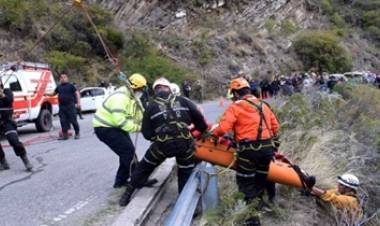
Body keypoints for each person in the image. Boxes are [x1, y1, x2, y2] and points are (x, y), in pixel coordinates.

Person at [119, 77, 208, 207]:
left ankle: (126, 196)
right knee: (185, 171)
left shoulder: (151, 106)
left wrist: (158, 137)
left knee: (144, 167)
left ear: (155, 91)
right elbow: (201, 121)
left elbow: (147, 133)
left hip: (161, 147)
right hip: (185, 145)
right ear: (169, 88)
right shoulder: (183, 101)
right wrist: (195, 131)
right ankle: (185, 205)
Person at [212, 77, 280, 225]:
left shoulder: (236, 107)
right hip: (267, 150)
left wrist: (213, 134)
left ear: (235, 93)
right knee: (260, 179)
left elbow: (223, 128)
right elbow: (276, 127)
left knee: (246, 183)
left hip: (249, 151)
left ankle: (252, 219)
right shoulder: (263, 104)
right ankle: (261, 204)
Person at [93, 73, 148, 188]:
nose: (141, 91)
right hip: (105, 128)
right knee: (128, 152)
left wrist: (148, 122)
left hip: (114, 127)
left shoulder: (133, 97)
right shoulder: (120, 98)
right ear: (134, 88)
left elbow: (141, 113)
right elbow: (120, 121)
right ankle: (137, 180)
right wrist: (139, 128)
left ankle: (120, 182)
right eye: (140, 89)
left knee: (128, 152)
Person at [0, 73, 33, 171]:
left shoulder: (7, 91)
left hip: (7, 121)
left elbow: (9, 100)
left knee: (14, 140)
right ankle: (3, 161)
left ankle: (25, 160)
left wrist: (2, 94)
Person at [53, 73, 80, 140]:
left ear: (67, 78)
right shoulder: (59, 87)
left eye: (64, 77)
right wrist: (44, 93)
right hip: (62, 107)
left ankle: (77, 133)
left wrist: (78, 103)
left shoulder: (71, 86)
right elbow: (53, 93)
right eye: (61, 77)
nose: (63, 79)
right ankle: (65, 135)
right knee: (63, 121)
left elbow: (77, 93)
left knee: (73, 120)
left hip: (70, 106)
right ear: (60, 79)